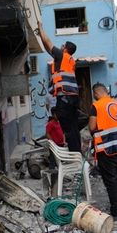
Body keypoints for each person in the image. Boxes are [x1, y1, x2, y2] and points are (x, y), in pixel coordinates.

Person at [37, 21, 83, 152]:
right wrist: (40, 35)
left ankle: (75, 156)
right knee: (73, 128)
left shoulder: (62, 55)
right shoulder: (69, 60)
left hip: (65, 99)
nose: (60, 46)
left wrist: (40, 28)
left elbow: (48, 43)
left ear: (65, 48)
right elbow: (47, 47)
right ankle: (77, 153)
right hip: (72, 98)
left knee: (68, 129)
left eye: (63, 45)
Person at [88, 83, 117, 221]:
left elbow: (92, 126)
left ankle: (116, 212)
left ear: (96, 93)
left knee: (111, 181)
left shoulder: (97, 106)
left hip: (106, 149)